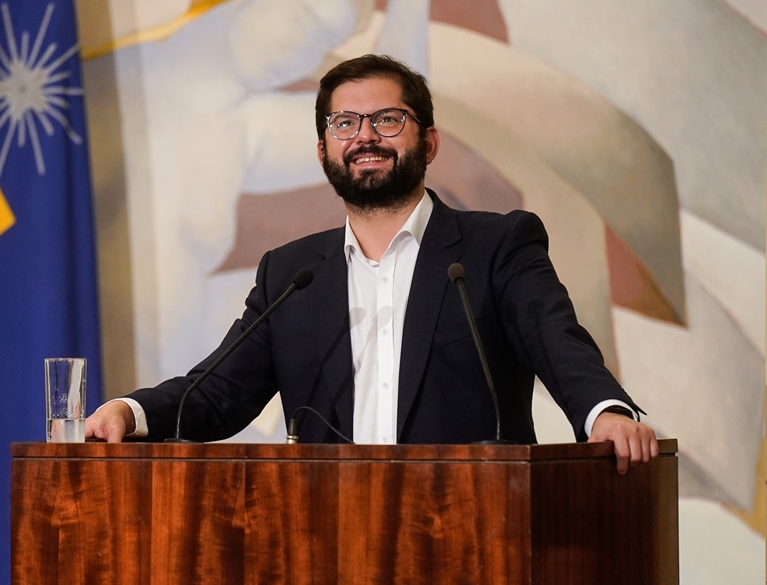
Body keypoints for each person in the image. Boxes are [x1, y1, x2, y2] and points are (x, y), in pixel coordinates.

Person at [85, 55, 657, 474]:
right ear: (323, 151)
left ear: (429, 143)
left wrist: (603, 412)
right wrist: (131, 411)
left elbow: (556, 340)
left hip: (476, 534)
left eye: (388, 119)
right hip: (329, 540)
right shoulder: (290, 274)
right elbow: (215, 392)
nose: (365, 137)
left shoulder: (496, 246)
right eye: (344, 123)